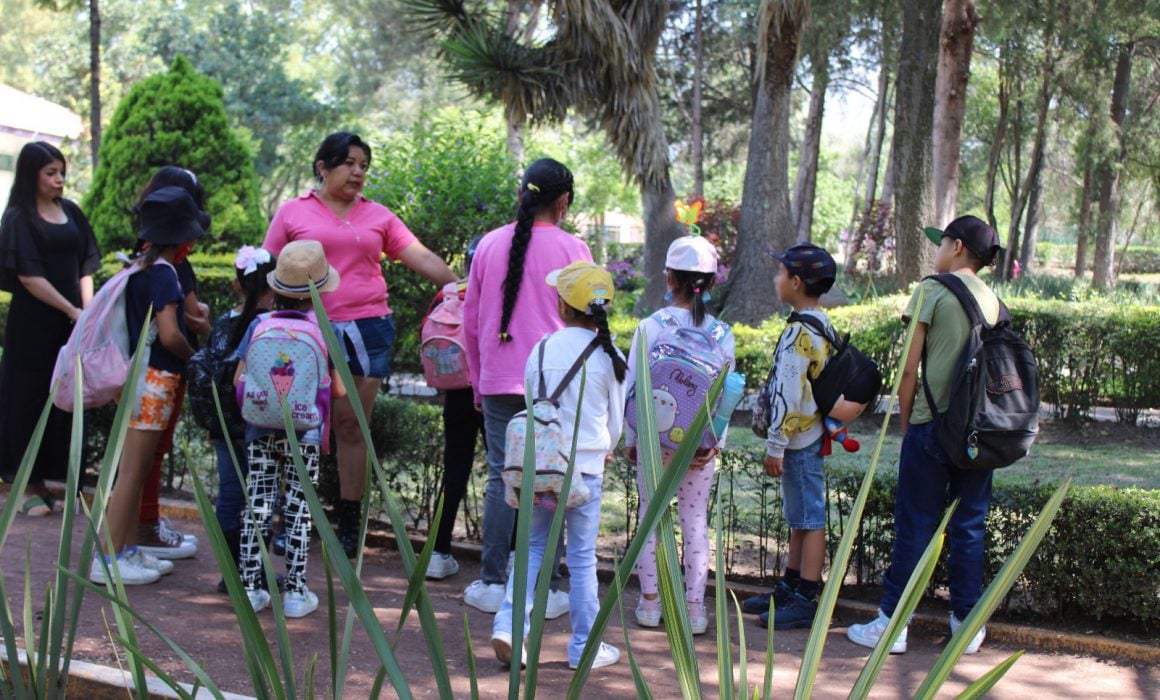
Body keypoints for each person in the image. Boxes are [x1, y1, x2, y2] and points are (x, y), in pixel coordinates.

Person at [262, 132, 456, 558]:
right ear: (323, 167)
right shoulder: (293, 212)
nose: (357, 172)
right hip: (304, 329)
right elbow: (265, 267)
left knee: (352, 427)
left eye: (364, 165)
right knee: (296, 426)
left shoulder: (379, 216)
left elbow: (419, 256)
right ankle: (291, 517)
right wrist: (254, 326)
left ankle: (350, 525)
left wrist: (460, 286)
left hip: (369, 330)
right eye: (349, 163)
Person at [847, 215, 1000, 655]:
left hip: (932, 426)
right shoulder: (992, 299)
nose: (937, 249)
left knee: (915, 525)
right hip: (978, 433)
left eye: (942, 242)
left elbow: (910, 367)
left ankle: (893, 625)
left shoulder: (933, 289)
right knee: (969, 526)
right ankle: (966, 625)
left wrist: (905, 419)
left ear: (956, 248)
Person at [462, 158, 591, 617]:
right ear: (562, 201)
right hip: (560, 384)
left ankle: (493, 581)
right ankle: (550, 588)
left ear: (523, 194)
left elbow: (470, 323)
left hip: (499, 379)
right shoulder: (575, 249)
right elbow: (592, 322)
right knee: (554, 479)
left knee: (503, 477)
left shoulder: (489, 246)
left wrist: (478, 383)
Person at [490, 261, 626, 670]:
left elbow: (534, 405)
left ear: (563, 306)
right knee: (583, 559)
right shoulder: (611, 356)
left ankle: (510, 628)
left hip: (542, 470)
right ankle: (584, 648)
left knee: (531, 548)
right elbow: (616, 423)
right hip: (586, 473)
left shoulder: (543, 348)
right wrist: (606, 448)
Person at [89, 186, 203, 585]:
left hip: (137, 379)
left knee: (132, 472)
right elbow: (170, 335)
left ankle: (126, 550)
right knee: (131, 473)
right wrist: (196, 357)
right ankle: (108, 558)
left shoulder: (140, 268)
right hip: (154, 381)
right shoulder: (164, 275)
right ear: (184, 239)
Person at [626, 234, 735, 635]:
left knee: (650, 518)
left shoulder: (650, 327)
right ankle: (694, 609)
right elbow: (725, 396)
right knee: (694, 520)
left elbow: (633, 388)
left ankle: (651, 603)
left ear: (669, 278)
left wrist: (632, 441)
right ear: (708, 282)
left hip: (655, 443)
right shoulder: (723, 334)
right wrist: (713, 445)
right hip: (698, 448)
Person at [233, 240, 343, 617]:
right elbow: (338, 389)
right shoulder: (325, 332)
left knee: (258, 505)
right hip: (305, 433)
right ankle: (295, 592)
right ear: (319, 292)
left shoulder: (259, 325)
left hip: (259, 428)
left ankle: (250, 588)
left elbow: (239, 378)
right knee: (298, 509)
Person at [0, 141, 101, 515]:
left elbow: (86, 264)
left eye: (61, 171)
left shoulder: (71, 211)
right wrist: (72, 311)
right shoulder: (18, 218)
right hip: (33, 327)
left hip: (73, 325)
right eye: (51, 173)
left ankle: (57, 481)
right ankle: (27, 486)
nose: (60, 179)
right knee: (29, 400)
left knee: (68, 400)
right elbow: (29, 277)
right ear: (32, 175)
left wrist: (87, 315)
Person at [741, 243, 838, 630]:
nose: (775, 280)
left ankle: (806, 597)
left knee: (810, 518)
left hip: (798, 437)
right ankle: (791, 584)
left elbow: (788, 394)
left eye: (781, 274)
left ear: (796, 282)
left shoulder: (800, 331)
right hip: (809, 433)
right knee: (800, 517)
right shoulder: (819, 321)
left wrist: (775, 445)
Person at [132, 167, 211, 561]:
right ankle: (137, 532)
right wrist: (197, 354)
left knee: (140, 457)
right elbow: (185, 324)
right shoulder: (170, 268)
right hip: (162, 373)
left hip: (145, 371)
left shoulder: (144, 259)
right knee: (145, 456)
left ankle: (135, 533)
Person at [188, 245, 277, 592]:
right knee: (263, 498)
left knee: (230, 495)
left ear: (238, 284)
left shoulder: (224, 323)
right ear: (275, 285)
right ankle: (255, 572)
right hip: (262, 427)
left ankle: (231, 573)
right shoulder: (270, 326)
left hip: (225, 427)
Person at [425, 236, 485, 580]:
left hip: (456, 394)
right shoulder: (499, 296)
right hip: (492, 391)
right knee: (505, 473)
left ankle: (438, 551)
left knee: (454, 469)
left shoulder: (447, 294)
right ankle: (507, 554)